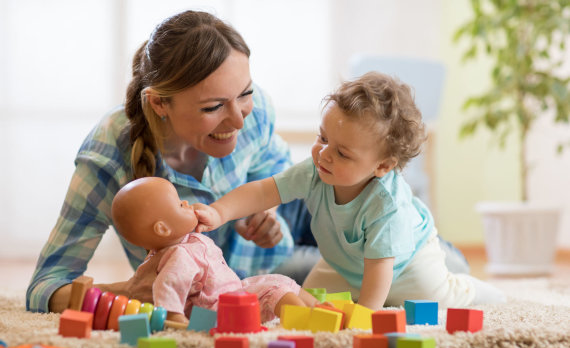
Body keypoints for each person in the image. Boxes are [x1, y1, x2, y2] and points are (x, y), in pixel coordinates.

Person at [26, 10, 318, 313]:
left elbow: (276, 168)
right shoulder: (108, 154)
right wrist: (130, 290)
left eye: (245, 93)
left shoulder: (254, 110)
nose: (239, 119)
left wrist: (260, 211)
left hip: (299, 215)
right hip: (253, 279)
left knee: (357, 199)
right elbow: (45, 287)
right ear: (159, 103)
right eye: (213, 107)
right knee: (338, 276)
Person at [194, 72, 506, 310]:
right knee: (310, 301)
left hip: (406, 263)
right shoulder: (317, 168)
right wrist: (219, 211)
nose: (325, 153)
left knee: (434, 296)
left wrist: (365, 315)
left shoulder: (387, 206)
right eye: (322, 137)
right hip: (342, 261)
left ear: (382, 166)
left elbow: (380, 268)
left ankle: (483, 291)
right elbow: (264, 192)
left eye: (343, 153)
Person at [111, 177, 319, 324]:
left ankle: (320, 309)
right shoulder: (178, 255)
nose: (186, 202)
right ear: (163, 229)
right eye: (179, 204)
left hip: (234, 291)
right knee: (275, 291)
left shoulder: (187, 242)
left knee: (278, 281)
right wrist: (173, 315)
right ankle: (307, 324)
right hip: (218, 308)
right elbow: (169, 283)